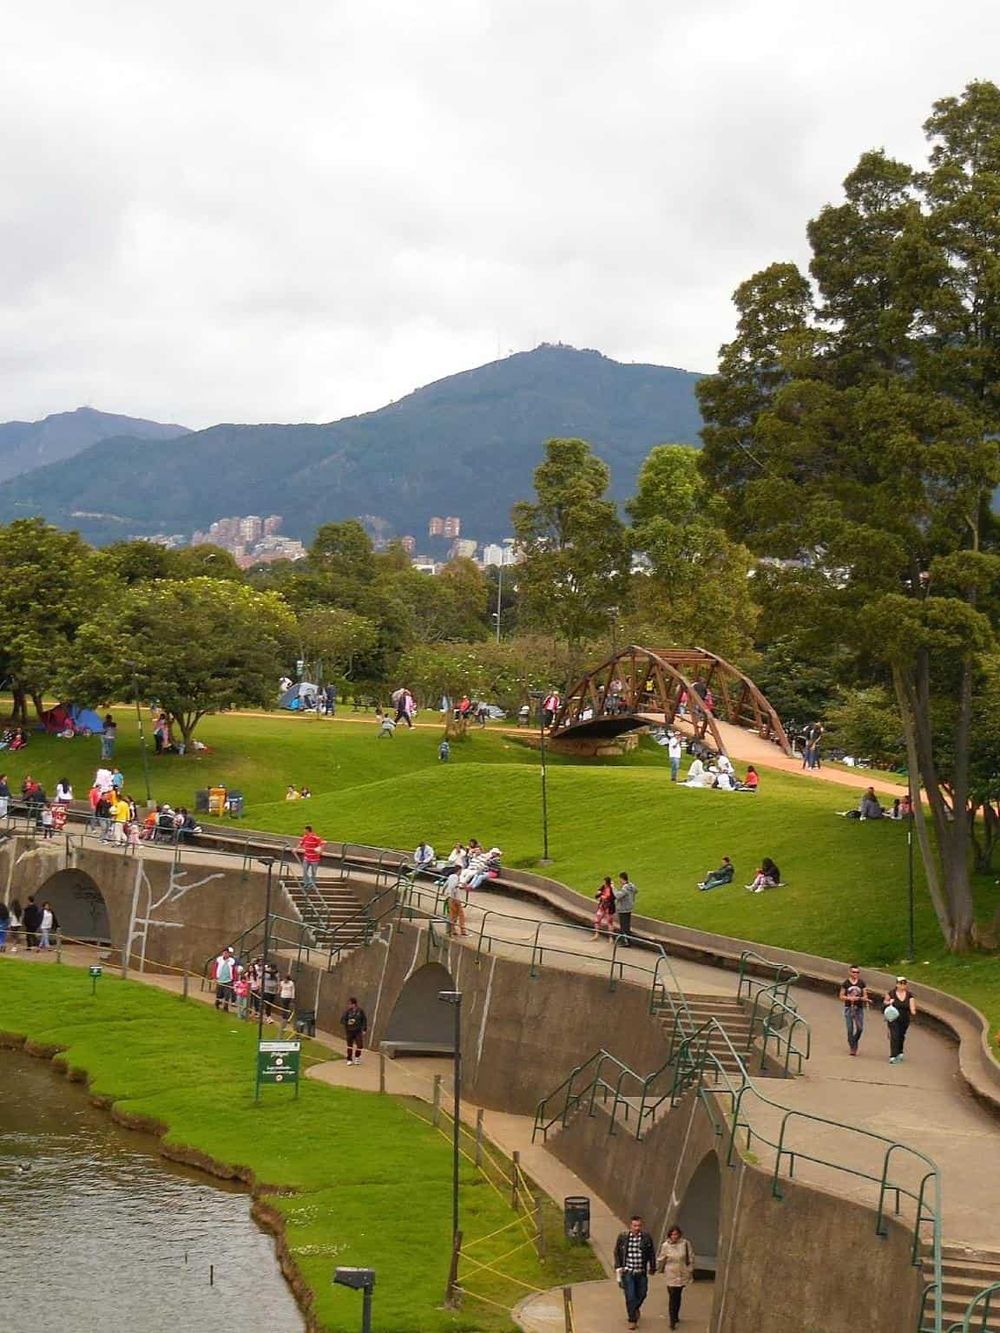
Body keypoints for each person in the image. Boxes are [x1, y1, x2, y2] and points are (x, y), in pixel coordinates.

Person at [614, 1215, 657, 1330]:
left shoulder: (646, 1238)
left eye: (639, 1225)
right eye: (634, 1225)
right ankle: (632, 1319)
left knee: (642, 1293)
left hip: (641, 1271)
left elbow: (651, 1253)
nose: (637, 1228)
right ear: (630, 1226)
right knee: (630, 1296)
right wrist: (618, 1267)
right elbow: (617, 1252)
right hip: (628, 1272)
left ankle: (635, 1308)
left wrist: (652, 1267)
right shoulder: (623, 1237)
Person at [657, 1225, 694, 1330]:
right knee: (672, 1296)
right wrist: (657, 1267)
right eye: (673, 1234)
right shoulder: (666, 1245)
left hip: (682, 1273)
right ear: (670, 1235)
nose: (675, 1236)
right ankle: (672, 1320)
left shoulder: (685, 1244)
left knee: (677, 1296)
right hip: (671, 1274)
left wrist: (690, 1270)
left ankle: (676, 1315)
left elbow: (690, 1257)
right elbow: (661, 1258)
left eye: (676, 1234)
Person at [883, 976, 917, 1064]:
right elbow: (885, 1002)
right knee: (894, 1036)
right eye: (900, 983)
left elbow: (912, 1005)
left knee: (901, 1036)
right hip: (893, 1018)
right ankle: (893, 1056)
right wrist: (889, 1002)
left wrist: (913, 1011)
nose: (902, 985)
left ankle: (900, 1051)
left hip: (904, 1018)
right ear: (897, 984)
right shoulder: (891, 993)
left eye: (904, 983)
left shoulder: (909, 995)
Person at [839, 965, 870, 1055]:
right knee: (850, 1029)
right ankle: (853, 1047)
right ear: (850, 972)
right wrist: (849, 998)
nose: (855, 974)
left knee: (860, 1028)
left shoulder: (861, 983)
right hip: (849, 1008)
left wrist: (860, 998)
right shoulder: (846, 983)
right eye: (854, 972)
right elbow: (841, 996)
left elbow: (865, 995)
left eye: (857, 972)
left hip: (859, 1008)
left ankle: (854, 1041)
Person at [297, 824, 325, 888]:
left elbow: (321, 844)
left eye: (304, 830)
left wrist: (320, 851)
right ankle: (306, 883)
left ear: (307, 830)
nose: (303, 831)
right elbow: (301, 843)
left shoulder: (315, 837)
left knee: (313, 872)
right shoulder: (305, 837)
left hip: (314, 859)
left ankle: (312, 883)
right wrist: (295, 849)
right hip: (307, 857)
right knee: (304, 870)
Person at [342, 997, 367, 1064]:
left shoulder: (360, 1011)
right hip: (350, 1031)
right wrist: (347, 1023)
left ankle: (357, 1057)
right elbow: (343, 1020)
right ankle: (349, 1059)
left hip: (358, 1031)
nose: (349, 1005)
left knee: (360, 1045)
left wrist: (364, 1029)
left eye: (350, 1004)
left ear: (354, 1004)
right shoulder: (347, 1012)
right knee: (350, 1046)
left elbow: (364, 1020)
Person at [614, 872, 637, 947]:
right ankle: (626, 940)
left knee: (624, 926)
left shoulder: (625, 887)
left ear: (621, 878)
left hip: (623, 909)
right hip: (629, 907)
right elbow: (636, 891)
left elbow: (618, 896)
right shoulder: (631, 886)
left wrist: (613, 888)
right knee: (627, 925)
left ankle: (626, 941)